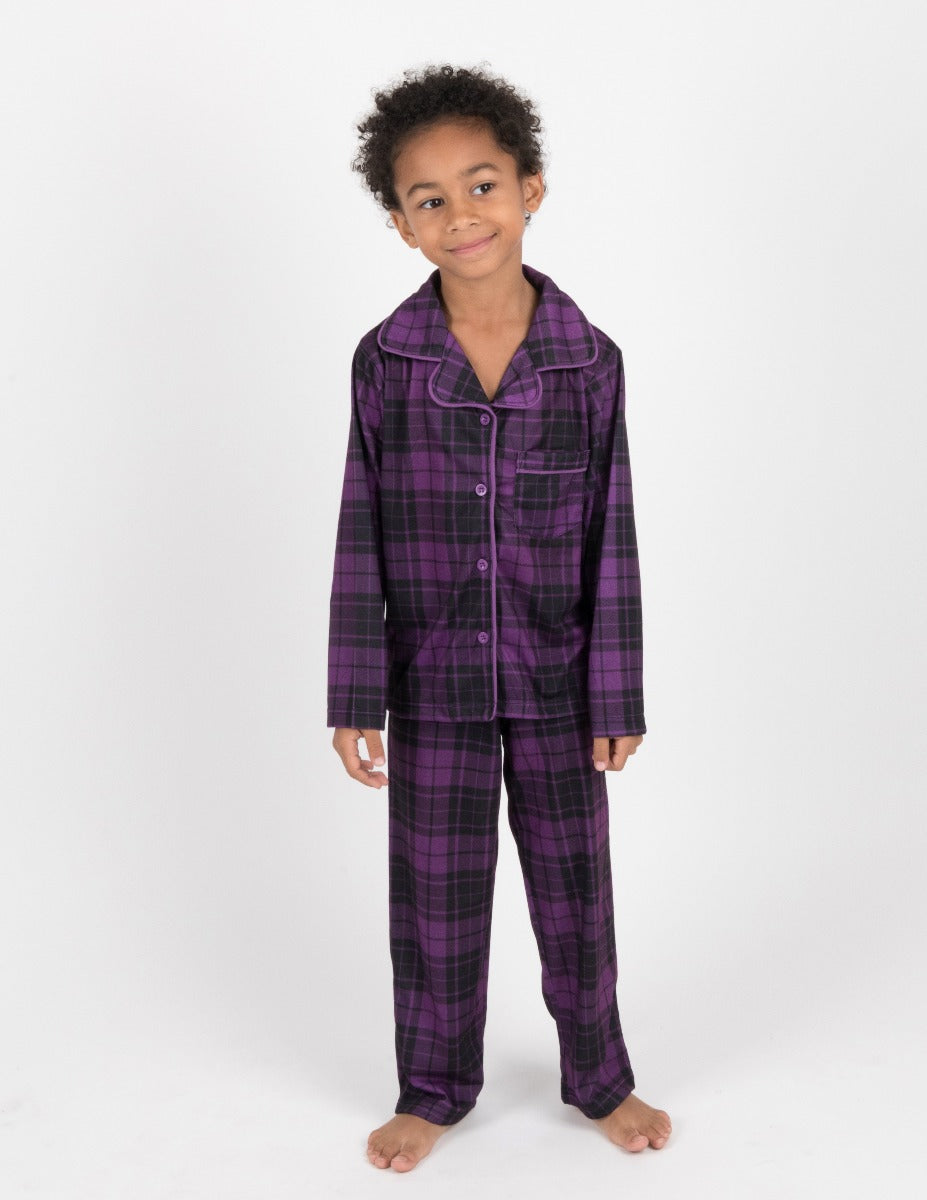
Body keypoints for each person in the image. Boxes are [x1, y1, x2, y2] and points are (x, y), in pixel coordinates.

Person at [326, 63, 672, 1172]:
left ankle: (600, 1077)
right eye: (428, 199)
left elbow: (613, 530)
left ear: (530, 189)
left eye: (481, 185)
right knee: (434, 901)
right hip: (431, 684)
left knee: (576, 888)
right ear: (401, 224)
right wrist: (354, 693)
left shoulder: (588, 363)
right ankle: (433, 1087)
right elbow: (361, 524)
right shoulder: (386, 363)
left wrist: (615, 694)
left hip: (560, 680)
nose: (460, 213)